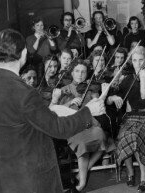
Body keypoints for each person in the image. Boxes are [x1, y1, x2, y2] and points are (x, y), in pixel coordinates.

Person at [0, 28, 105, 193]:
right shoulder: (24, 92)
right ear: (24, 54)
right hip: (28, 178)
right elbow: (58, 128)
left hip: (0, 176)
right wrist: (88, 111)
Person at [51, 59, 114, 191]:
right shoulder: (64, 90)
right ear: (72, 73)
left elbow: (100, 108)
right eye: (77, 71)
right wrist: (69, 102)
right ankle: (82, 183)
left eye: (83, 72)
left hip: (90, 124)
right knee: (82, 142)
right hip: (72, 127)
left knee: (104, 137)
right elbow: (53, 111)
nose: (80, 75)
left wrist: (103, 95)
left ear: (87, 74)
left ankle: (82, 172)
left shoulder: (91, 89)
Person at [107, 46, 145, 192]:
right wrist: (113, 97)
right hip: (131, 117)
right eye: (134, 60)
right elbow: (108, 100)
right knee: (124, 135)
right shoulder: (126, 79)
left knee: (135, 136)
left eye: (140, 60)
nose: (137, 63)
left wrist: (143, 80)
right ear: (131, 61)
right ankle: (130, 172)